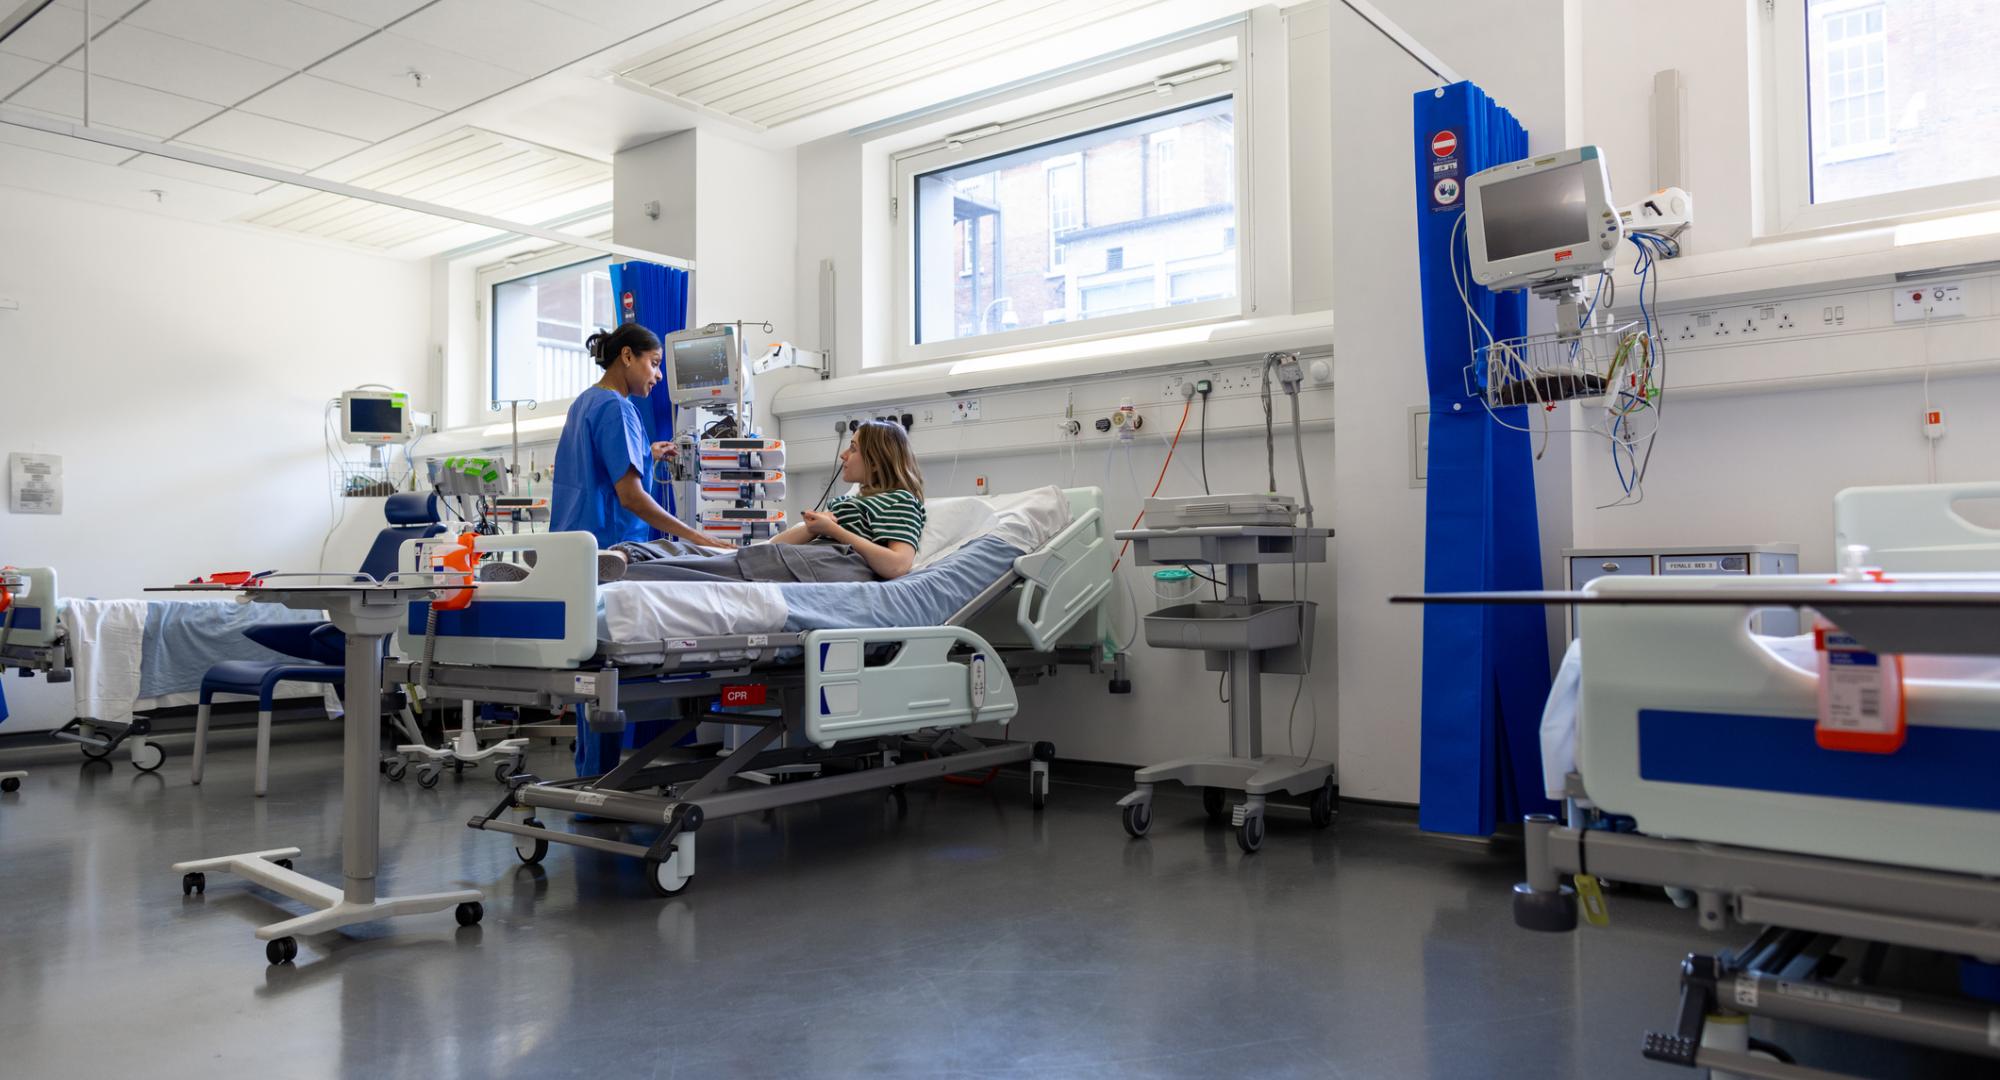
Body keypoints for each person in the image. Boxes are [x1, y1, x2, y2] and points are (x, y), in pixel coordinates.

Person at [606, 419, 927, 583]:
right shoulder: (856, 501)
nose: (844, 455)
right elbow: (805, 532)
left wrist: (836, 531)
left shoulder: (900, 500)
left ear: (876, 460)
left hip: (839, 562)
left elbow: (898, 565)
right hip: (817, 554)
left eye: (854, 448)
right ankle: (629, 556)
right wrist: (757, 549)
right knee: (721, 558)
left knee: (721, 568)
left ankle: (634, 566)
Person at [550, 323, 724, 551]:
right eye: (654, 363)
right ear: (627, 355)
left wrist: (646, 456)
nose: (659, 375)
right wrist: (697, 537)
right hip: (608, 551)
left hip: (570, 547)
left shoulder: (584, 402)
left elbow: (593, 470)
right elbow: (631, 497)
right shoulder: (618, 408)